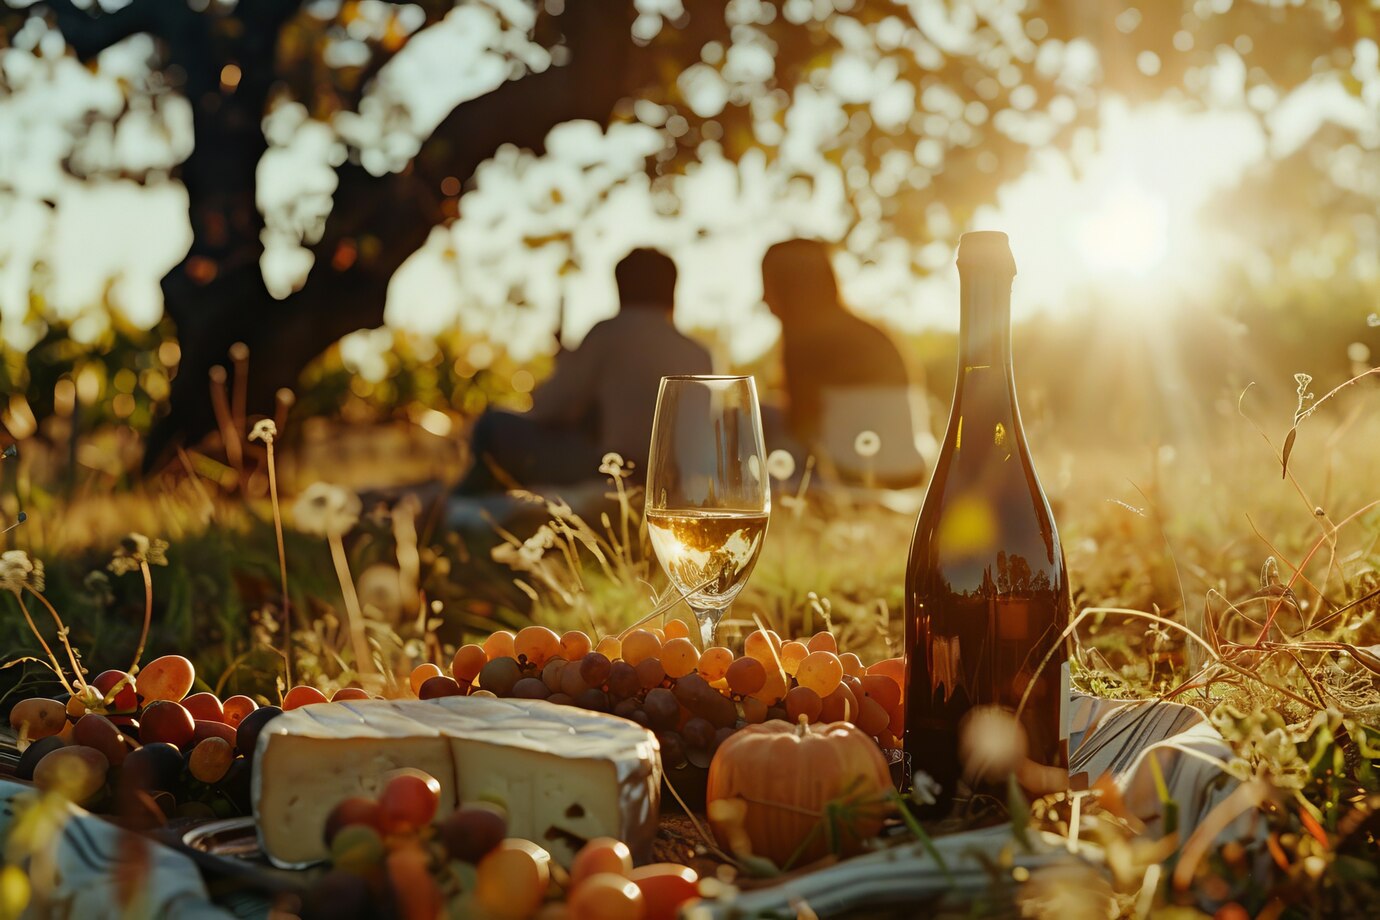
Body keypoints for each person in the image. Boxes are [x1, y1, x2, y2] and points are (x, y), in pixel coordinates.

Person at [456, 248, 712, 495]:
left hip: (611, 471)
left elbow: (548, 407)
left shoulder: (609, 334)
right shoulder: (700, 355)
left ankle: (456, 509)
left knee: (491, 426)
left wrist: (564, 364)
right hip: (675, 481)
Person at [762, 239, 928, 488]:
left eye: (769, 286)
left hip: (849, 477)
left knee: (750, 416)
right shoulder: (868, 332)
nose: (763, 298)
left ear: (790, 289)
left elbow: (800, 428)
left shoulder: (810, 341)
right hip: (908, 471)